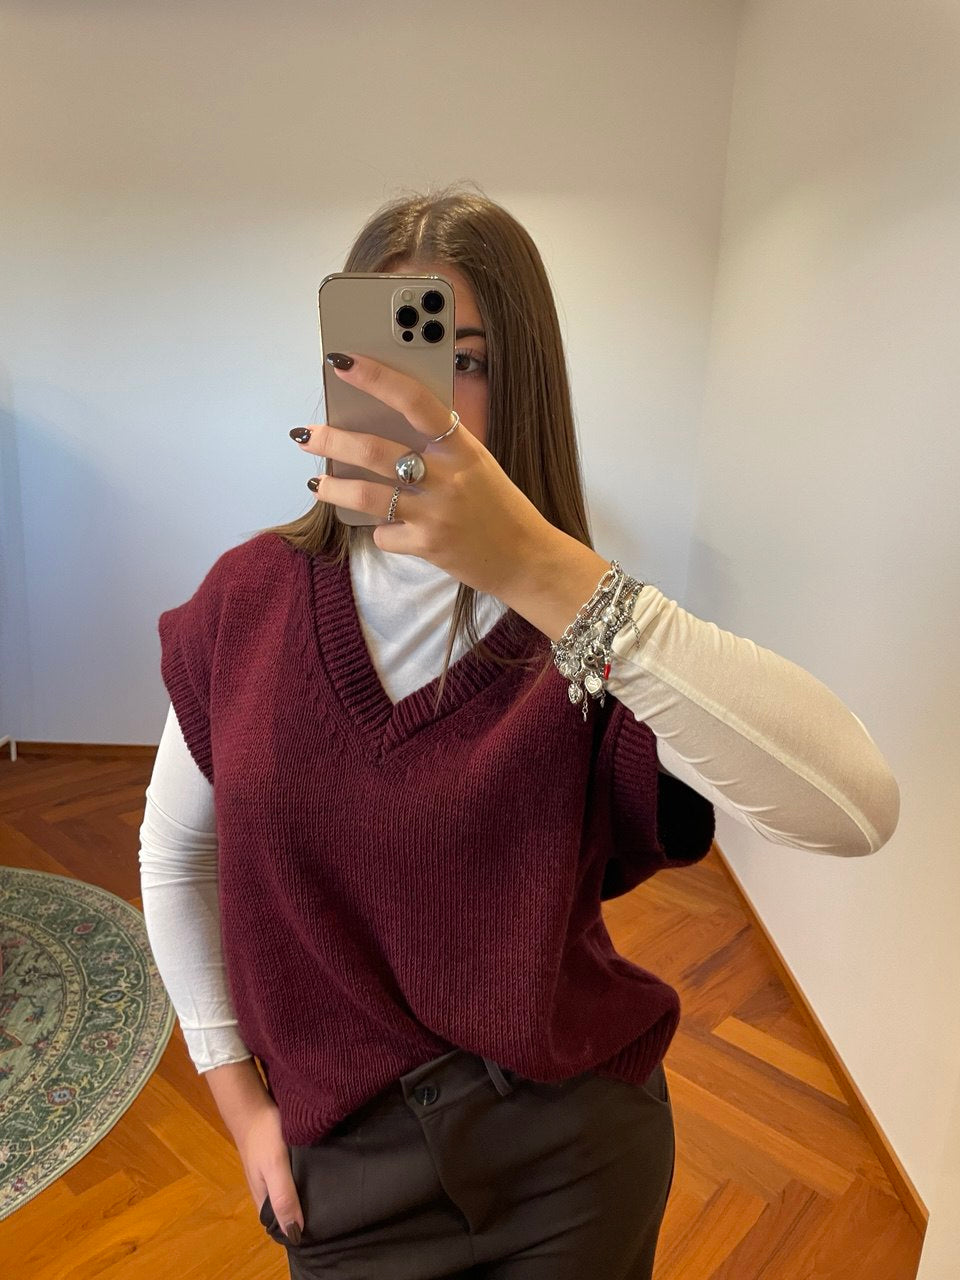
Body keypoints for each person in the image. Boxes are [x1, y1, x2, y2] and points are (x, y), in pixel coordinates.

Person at [139, 182, 900, 1280]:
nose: (419, 397)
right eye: (381, 353)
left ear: (525, 381)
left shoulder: (593, 628)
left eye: (466, 360)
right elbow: (177, 855)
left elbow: (855, 809)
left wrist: (553, 577)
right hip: (345, 1170)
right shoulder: (247, 602)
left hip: (572, 1163)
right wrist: (239, 1100)